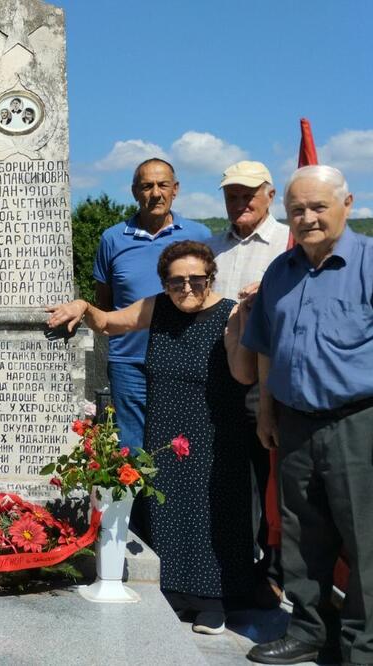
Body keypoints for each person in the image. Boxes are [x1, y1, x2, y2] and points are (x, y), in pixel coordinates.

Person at [49, 240, 257, 635]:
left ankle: (213, 599)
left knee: (214, 512)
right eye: (176, 281)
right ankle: (176, 592)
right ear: (164, 283)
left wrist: (243, 322)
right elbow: (109, 322)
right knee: (170, 507)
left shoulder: (231, 312)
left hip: (215, 429)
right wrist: (81, 306)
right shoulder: (157, 307)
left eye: (196, 279)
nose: (186, 288)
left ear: (210, 276)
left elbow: (245, 374)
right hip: (165, 426)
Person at [241, 165, 373, 666]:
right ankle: (308, 630)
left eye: (319, 206)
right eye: (297, 209)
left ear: (348, 203)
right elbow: (267, 348)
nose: (308, 218)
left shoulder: (369, 262)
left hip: (357, 423)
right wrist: (267, 411)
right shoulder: (281, 271)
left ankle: (363, 648)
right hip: (294, 423)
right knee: (301, 535)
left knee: (365, 540)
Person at [207, 160, 290, 608]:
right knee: (227, 473)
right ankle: (231, 563)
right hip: (219, 373)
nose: (239, 203)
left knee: (268, 477)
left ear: (270, 195)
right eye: (232, 195)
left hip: (267, 376)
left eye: (248, 195)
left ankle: (272, 572)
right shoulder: (211, 247)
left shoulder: (286, 243)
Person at [93, 159, 211, 453]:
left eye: (163, 185)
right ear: (135, 192)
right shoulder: (112, 239)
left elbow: (209, 296)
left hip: (181, 358)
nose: (155, 193)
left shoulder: (200, 235)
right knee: (132, 450)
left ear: (176, 190)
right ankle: (137, 503)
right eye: (147, 186)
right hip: (128, 364)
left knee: (178, 446)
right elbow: (104, 303)